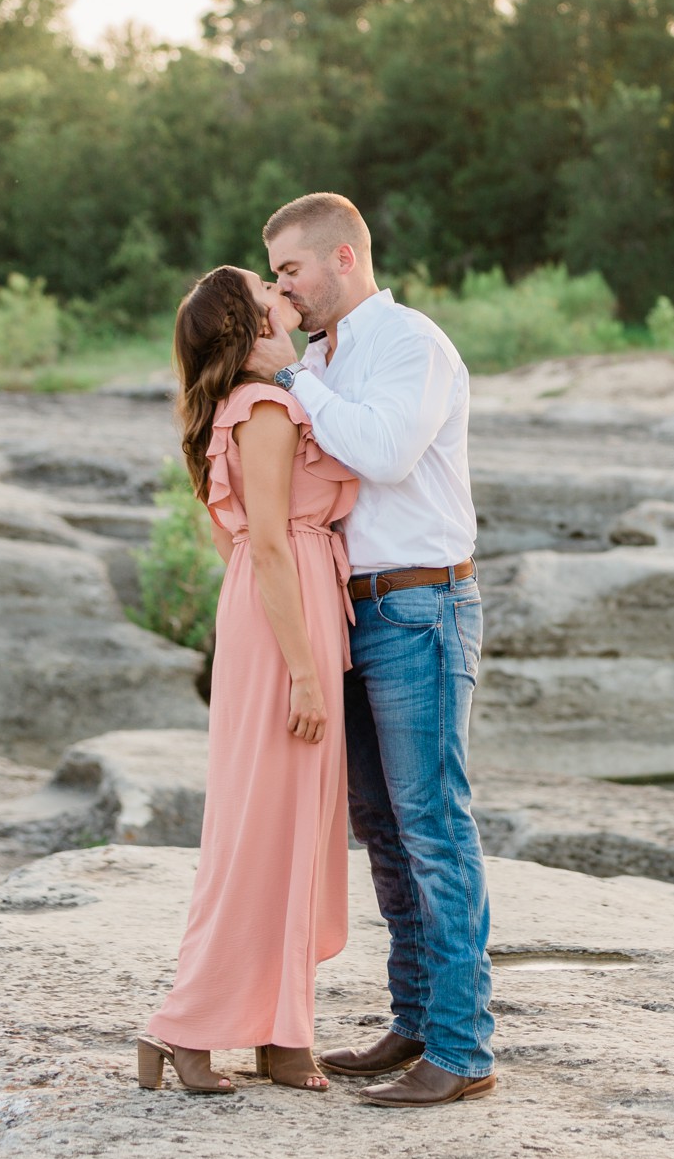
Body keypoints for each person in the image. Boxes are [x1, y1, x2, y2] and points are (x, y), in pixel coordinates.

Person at [244, 192, 496, 1108]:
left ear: (344, 259)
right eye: (276, 275)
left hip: (423, 604)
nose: (284, 289)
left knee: (433, 825)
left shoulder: (410, 345)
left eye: (291, 271)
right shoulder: (321, 357)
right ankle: (416, 1018)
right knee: (383, 829)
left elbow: (384, 453)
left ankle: (464, 1052)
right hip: (351, 610)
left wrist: (296, 381)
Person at [139, 265, 357, 1094]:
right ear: (250, 324)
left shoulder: (246, 403)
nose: (283, 295)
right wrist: (302, 670)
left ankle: (278, 1032)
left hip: (279, 604)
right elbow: (263, 543)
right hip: (285, 613)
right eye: (268, 294)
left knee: (284, 824)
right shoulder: (263, 408)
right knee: (268, 826)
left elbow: (241, 548)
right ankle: (185, 1027)